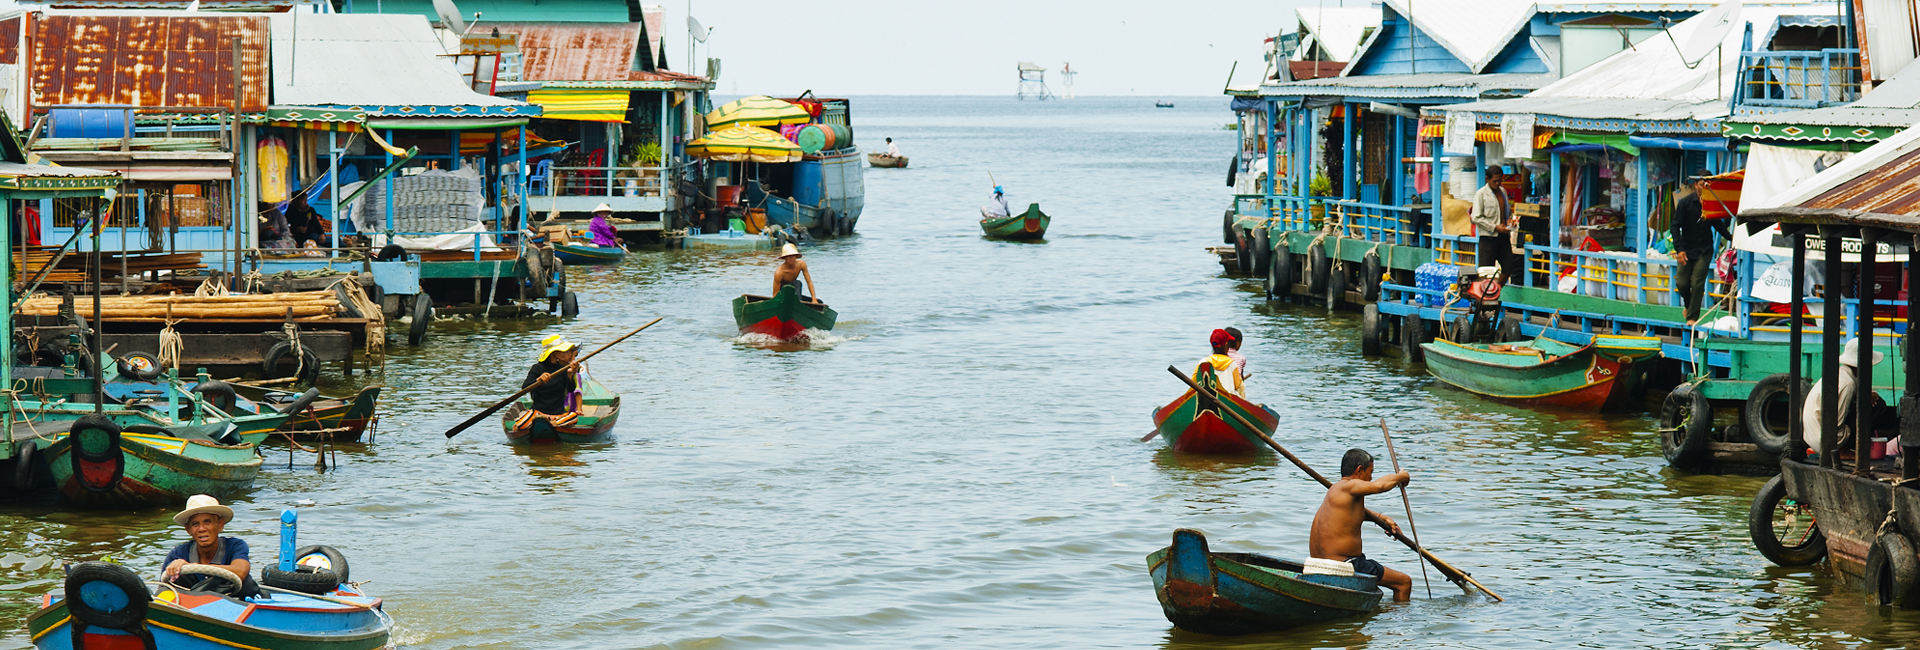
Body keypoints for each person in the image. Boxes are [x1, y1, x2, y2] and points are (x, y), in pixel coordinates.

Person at [1309, 448, 1414, 601]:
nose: (1371, 478)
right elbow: (1379, 486)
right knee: (1404, 582)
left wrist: (1380, 517)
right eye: (1370, 472)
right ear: (1359, 470)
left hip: (1320, 562)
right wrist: (1401, 476)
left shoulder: (1334, 490)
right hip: (1347, 564)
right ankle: (1400, 623)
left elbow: (1350, 515)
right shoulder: (1350, 486)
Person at [162, 494, 258, 596]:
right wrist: (175, 569)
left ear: (220, 525)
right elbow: (163, 590)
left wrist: (196, 567)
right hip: (189, 606)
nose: (202, 529)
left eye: (207, 522)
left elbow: (241, 571)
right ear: (188, 529)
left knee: (247, 582)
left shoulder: (235, 545)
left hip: (232, 602)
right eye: (195, 524)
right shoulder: (177, 554)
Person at [1802, 337, 1883, 455]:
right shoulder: (1847, 384)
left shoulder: (1842, 375)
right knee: (1878, 407)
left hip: (1814, 436)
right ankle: (1842, 451)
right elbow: (1837, 424)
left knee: (1872, 402)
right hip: (1826, 441)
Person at [1670, 173, 1732, 324]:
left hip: (1704, 250)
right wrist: (1679, 249)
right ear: (1695, 185)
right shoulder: (1685, 203)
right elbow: (1675, 225)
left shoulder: (1712, 204)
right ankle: (1688, 305)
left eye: (1707, 184)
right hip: (1686, 249)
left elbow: (1718, 225)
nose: (1704, 187)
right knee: (1682, 283)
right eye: (1701, 184)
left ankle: (1692, 317)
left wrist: (1732, 238)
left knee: (1697, 283)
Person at [1470, 169, 1519, 282]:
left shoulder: (1503, 191)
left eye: (1499, 181)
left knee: (1508, 268)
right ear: (1487, 179)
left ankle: (1495, 290)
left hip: (1503, 237)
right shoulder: (1481, 194)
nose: (1497, 184)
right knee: (1486, 272)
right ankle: (1485, 296)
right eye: (1495, 181)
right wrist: (1495, 227)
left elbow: (1507, 212)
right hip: (1488, 238)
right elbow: (1475, 217)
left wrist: (1510, 221)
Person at [522, 334, 580, 417]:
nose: (566, 353)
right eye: (562, 350)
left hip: (558, 414)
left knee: (573, 418)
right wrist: (538, 380)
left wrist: (570, 375)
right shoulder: (537, 368)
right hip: (538, 413)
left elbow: (571, 389)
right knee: (528, 419)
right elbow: (524, 388)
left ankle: (552, 422)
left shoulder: (562, 369)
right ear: (553, 352)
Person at [1193, 329, 1246, 398]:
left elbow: (1194, 383)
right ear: (1226, 344)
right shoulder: (1231, 363)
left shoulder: (1203, 361)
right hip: (1228, 398)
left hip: (1206, 397)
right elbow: (1238, 386)